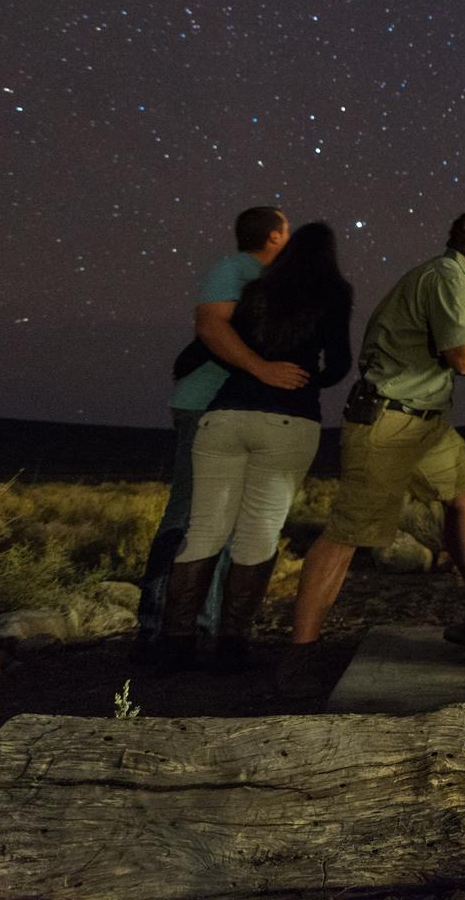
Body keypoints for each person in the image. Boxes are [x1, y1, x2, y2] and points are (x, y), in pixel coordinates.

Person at [277, 210, 465, 699]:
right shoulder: (447, 278)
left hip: (425, 421)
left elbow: (458, 354)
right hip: (389, 421)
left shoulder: (443, 275)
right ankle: (298, 657)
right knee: (347, 534)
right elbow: (464, 357)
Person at [156, 221, 354, 672]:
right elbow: (340, 360)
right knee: (258, 532)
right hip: (289, 419)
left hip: (224, 416)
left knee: (204, 529)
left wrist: (254, 368)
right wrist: (312, 380)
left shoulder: (257, 290)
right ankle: (231, 644)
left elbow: (207, 346)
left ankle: (176, 643)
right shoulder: (334, 291)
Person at [134, 206, 308, 659]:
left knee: (225, 523)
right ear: (273, 236)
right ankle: (157, 631)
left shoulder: (267, 281)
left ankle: (204, 630)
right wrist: (262, 369)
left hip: (237, 412)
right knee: (189, 517)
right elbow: (211, 325)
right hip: (203, 407)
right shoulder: (233, 269)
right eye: (286, 231)